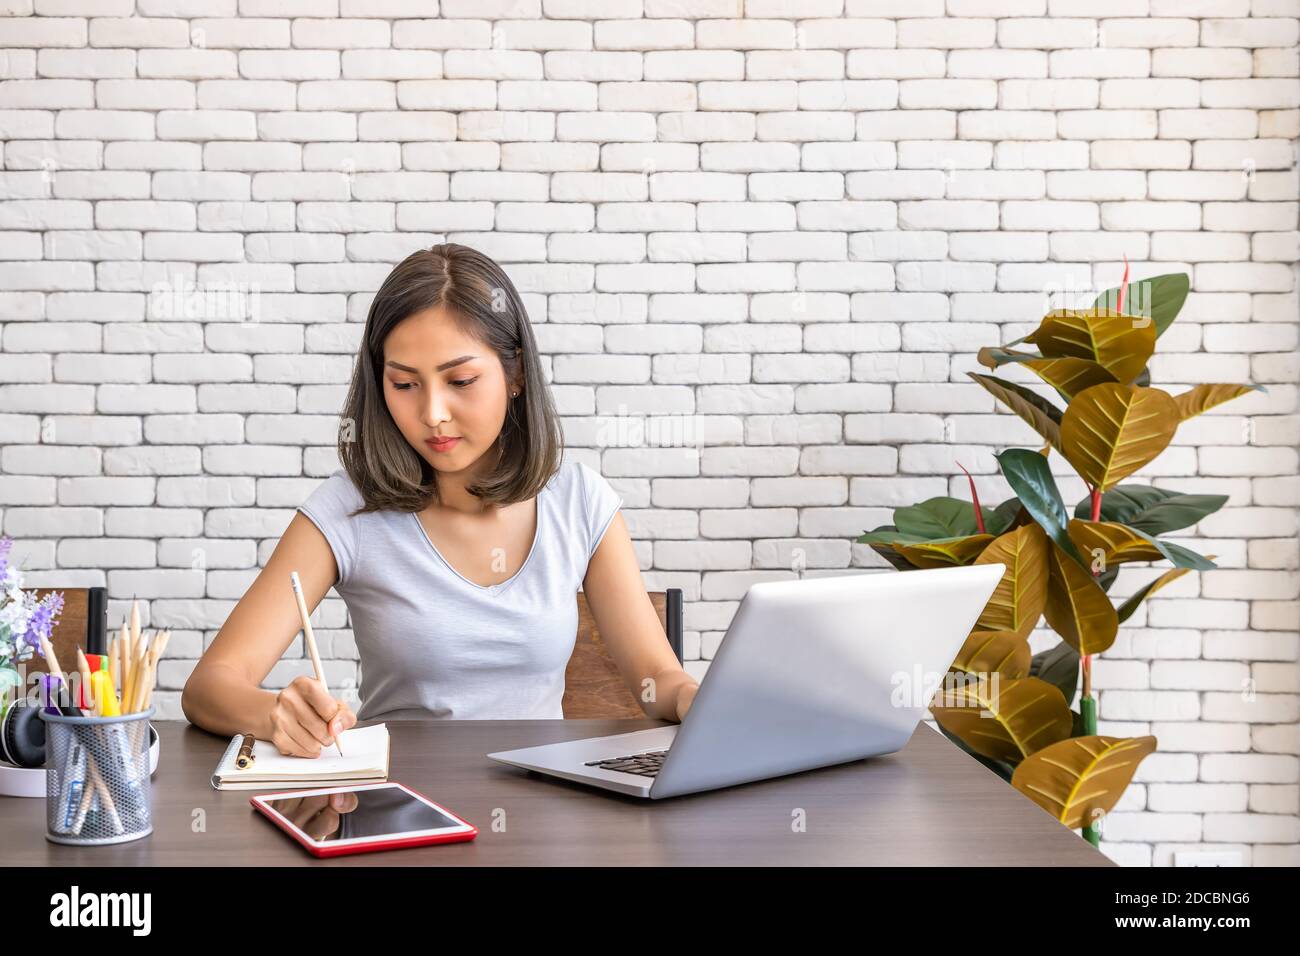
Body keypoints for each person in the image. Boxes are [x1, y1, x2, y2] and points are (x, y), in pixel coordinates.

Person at [182, 244, 699, 757]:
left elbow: (656, 680)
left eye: (461, 381)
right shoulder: (348, 511)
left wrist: (695, 699)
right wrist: (273, 713)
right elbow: (210, 686)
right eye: (404, 383)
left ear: (515, 374)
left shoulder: (578, 502)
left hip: (542, 808)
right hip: (401, 803)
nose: (432, 413)